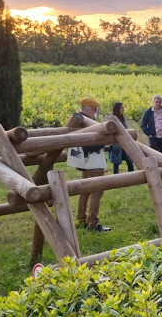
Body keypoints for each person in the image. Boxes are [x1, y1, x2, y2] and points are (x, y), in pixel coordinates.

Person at [66, 97, 111, 232]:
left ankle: (82, 219)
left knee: (84, 192)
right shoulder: (86, 123)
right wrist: (105, 141)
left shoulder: (79, 121)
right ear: (89, 109)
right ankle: (93, 223)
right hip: (93, 162)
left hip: (85, 162)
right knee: (96, 192)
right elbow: (88, 144)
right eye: (94, 109)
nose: (95, 112)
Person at [107, 102, 135, 175]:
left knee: (129, 160)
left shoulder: (122, 118)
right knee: (116, 162)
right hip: (116, 144)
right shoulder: (111, 118)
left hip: (124, 144)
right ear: (117, 109)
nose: (123, 109)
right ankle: (116, 177)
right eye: (122, 108)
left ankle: (132, 176)